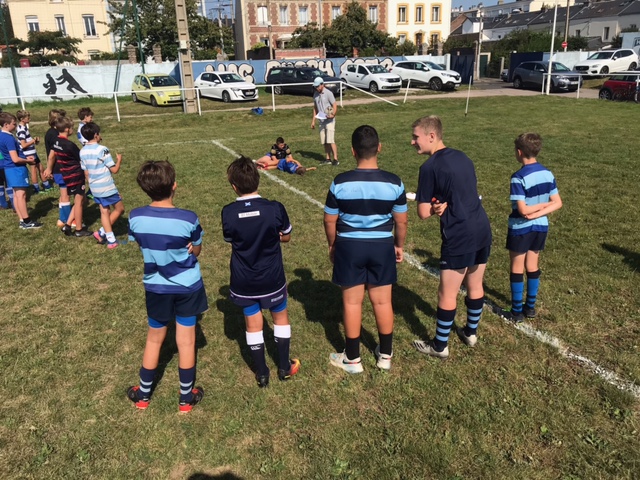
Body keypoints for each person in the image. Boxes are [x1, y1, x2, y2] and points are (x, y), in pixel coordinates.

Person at [324, 125, 408, 373]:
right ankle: (385, 356)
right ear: (379, 148)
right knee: (382, 302)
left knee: (352, 303)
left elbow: (330, 220)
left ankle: (352, 359)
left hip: (349, 246)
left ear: (352, 151)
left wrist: (332, 244)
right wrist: (399, 245)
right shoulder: (394, 182)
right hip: (382, 245)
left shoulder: (340, 182)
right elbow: (401, 221)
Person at [127, 160, 207, 412]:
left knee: (154, 339)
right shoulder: (188, 218)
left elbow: (142, 244)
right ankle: (186, 398)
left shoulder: (135, 217)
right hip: (187, 285)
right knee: (186, 341)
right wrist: (190, 249)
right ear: (174, 186)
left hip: (156, 287)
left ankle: (142, 395)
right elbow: (197, 250)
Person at [411, 115, 492, 360]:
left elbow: (423, 213)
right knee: (475, 284)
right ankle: (471, 332)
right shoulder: (463, 157)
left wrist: (434, 208)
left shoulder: (429, 167)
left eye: (416, 137)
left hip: (459, 233)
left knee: (447, 293)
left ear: (431, 136)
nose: (412, 142)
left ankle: (440, 346)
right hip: (482, 227)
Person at [221, 156, 300, 388]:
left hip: (244, 279)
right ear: (258, 180)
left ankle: (262, 372)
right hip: (271, 277)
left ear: (234, 186)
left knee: (252, 324)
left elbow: (231, 239)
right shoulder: (274, 208)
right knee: (280, 318)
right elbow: (286, 236)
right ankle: (284, 366)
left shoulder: (228, 212)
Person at [501, 133, 563, 323]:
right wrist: (541, 209)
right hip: (540, 226)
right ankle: (531, 308)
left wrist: (531, 211)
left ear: (519, 152)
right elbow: (557, 202)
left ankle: (517, 311)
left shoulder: (518, 177)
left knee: (517, 267)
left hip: (521, 228)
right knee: (533, 265)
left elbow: (522, 209)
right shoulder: (547, 173)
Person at [44, 115, 91, 237]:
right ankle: (79, 229)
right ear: (66, 129)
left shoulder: (56, 142)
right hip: (76, 175)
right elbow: (81, 158)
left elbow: (52, 156)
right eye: (72, 128)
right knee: (79, 201)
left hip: (66, 174)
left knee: (77, 201)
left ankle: (68, 225)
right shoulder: (69, 145)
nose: (73, 130)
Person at [80, 122, 125, 249]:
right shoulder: (102, 149)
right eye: (99, 133)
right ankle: (108, 236)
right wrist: (119, 160)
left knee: (104, 211)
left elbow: (86, 172)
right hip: (106, 186)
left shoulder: (82, 151)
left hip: (94, 187)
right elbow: (114, 170)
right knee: (119, 209)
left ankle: (103, 234)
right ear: (95, 135)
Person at [0, 113, 41, 229]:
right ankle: (27, 221)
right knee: (21, 195)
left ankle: (22, 220)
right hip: (16, 169)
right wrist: (27, 161)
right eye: (14, 124)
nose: (16, 125)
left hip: (8, 168)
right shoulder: (8, 138)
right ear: (6, 125)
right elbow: (15, 158)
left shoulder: (1, 135)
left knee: (17, 195)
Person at [44, 109, 73, 227]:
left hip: (58, 168)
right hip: (60, 168)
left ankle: (61, 219)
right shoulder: (54, 135)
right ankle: (67, 220)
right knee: (65, 194)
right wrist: (49, 169)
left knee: (63, 194)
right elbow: (52, 155)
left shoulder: (50, 132)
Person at [16, 110, 52, 194]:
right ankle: (36, 189)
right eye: (28, 117)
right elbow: (23, 145)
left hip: (32, 151)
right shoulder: (21, 130)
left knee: (41, 168)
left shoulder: (25, 127)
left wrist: (34, 141)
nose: (30, 118)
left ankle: (47, 186)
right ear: (22, 119)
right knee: (34, 171)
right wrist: (33, 141)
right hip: (29, 153)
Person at [310, 77, 339, 166]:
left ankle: (335, 159)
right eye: (315, 86)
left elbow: (334, 105)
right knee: (324, 141)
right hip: (321, 120)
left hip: (329, 121)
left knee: (330, 140)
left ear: (322, 84)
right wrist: (313, 121)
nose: (316, 88)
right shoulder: (315, 94)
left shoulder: (328, 93)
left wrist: (333, 114)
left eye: (318, 86)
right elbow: (315, 108)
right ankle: (328, 158)